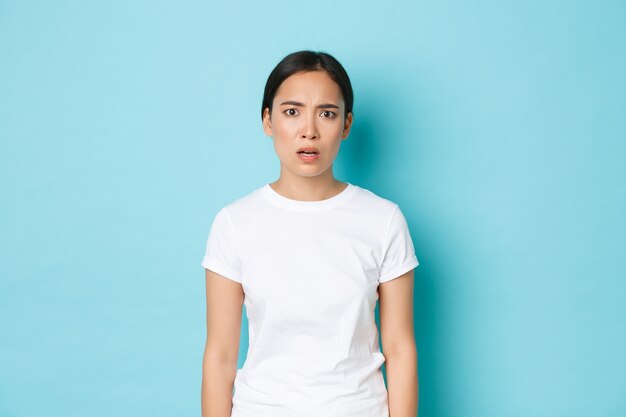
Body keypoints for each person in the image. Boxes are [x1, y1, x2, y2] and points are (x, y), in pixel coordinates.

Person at [201, 50, 419, 417]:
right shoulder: (234, 222)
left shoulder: (383, 220)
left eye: (327, 113)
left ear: (346, 125)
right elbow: (220, 356)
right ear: (268, 121)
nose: (309, 130)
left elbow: (400, 348)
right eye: (292, 111)